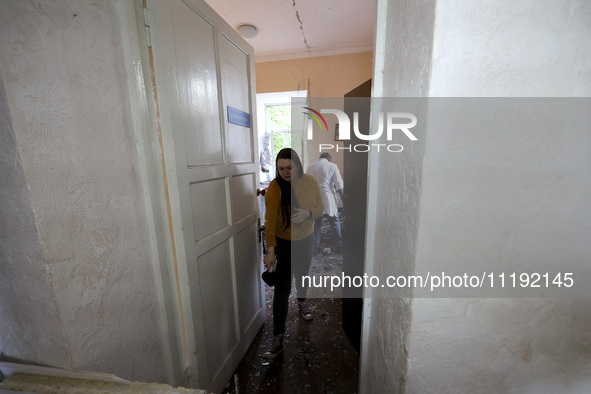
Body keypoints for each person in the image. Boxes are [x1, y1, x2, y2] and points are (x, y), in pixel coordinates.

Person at [263, 148, 324, 359]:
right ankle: (278, 337)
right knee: (282, 289)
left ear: (297, 164)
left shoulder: (310, 182)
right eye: (281, 169)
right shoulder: (274, 188)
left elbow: (320, 209)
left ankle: (302, 300)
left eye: (290, 167)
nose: (286, 172)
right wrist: (270, 251)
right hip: (283, 243)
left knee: (303, 274)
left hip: (306, 240)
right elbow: (269, 220)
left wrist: (308, 213)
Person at [306, 152, 344, 254]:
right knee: (334, 222)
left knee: (316, 224)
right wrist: (345, 202)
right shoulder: (332, 166)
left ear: (320, 158)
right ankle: (340, 247)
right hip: (328, 198)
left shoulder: (310, 167)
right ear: (329, 159)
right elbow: (339, 185)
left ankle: (315, 248)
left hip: (315, 199)